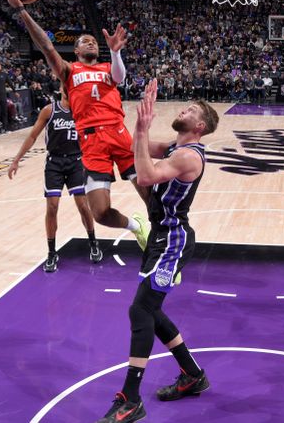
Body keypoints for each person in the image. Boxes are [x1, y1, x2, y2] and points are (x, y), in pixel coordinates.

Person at [98, 80, 219, 423]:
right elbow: (131, 147)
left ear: (199, 127)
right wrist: (106, 114)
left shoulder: (187, 156)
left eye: (191, 111)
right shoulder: (172, 147)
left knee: (140, 311)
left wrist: (139, 128)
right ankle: (193, 374)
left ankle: (131, 398)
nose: (184, 109)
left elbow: (147, 176)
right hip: (160, 239)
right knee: (152, 310)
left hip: (173, 240)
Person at [4, 0, 149, 249]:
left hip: (118, 134)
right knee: (101, 213)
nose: (91, 41)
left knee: (151, 197)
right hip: (92, 144)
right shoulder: (69, 71)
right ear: (76, 50)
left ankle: (164, 246)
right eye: (85, 41)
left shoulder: (108, 67)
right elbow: (47, 46)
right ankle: (135, 226)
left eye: (93, 40)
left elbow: (120, 77)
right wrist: (22, 11)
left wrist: (115, 52)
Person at [7, 92, 100, 273]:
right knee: (52, 207)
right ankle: (51, 252)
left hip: (76, 162)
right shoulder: (50, 110)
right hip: (54, 163)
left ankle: (93, 242)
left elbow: (93, 137)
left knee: (82, 205)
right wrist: (17, 159)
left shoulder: (82, 112)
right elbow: (33, 136)